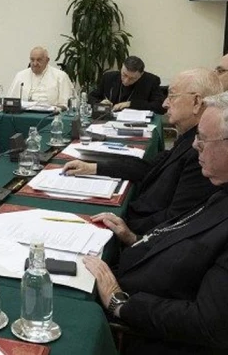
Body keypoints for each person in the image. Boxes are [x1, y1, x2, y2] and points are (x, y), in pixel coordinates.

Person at [84, 91, 228, 354]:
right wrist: (135, 239)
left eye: (204, 140)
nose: (196, 145)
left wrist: (120, 302)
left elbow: (208, 324)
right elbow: (184, 232)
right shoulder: (220, 190)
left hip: (142, 331)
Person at [64, 68, 222, 234]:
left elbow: (176, 219)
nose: (164, 103)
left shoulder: (203, 151)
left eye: (172, 96)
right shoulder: (188, 136)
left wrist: (133, 236)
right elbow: (149, 167)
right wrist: (93, 167)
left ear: (196, 102)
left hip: (145, 231)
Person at [88, 55, 165, 113]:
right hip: (109, 121)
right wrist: (100, 103)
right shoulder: (109, 77)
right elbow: (91, 97)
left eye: (132, 78)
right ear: (121, 68)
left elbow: (160, 106)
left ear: (141, 75)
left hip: (135, 124)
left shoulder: (151, 81)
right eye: (124, 75)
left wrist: (131, 104)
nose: (126, 80)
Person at [6, 46, 72, 108]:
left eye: (39, 60)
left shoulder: (60, 76)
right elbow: (10, 101)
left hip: (51, 116)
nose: (35, 63)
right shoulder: (20, 75)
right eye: (32, 60)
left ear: (47, 60)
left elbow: (66, 104)